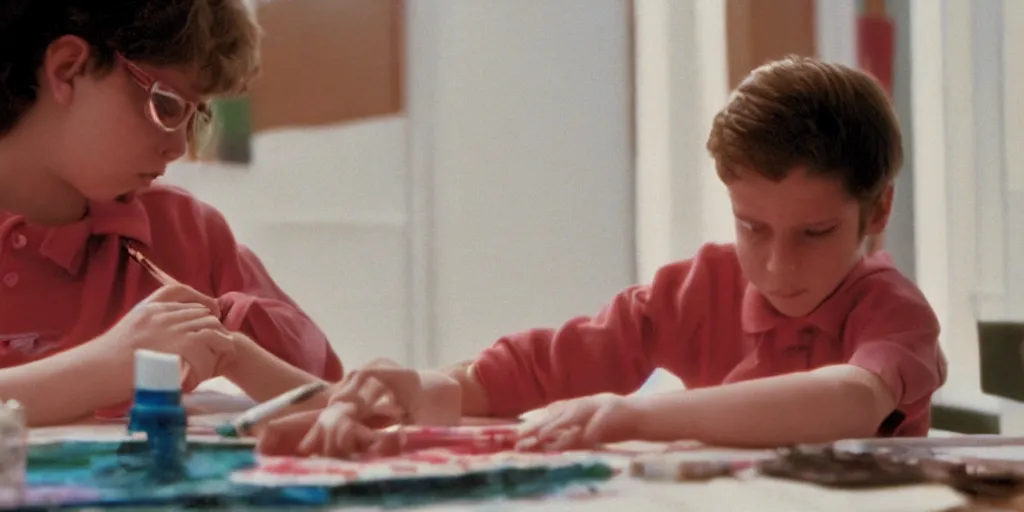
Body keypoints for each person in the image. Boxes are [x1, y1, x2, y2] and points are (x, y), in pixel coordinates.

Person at [259, 55, 947, 457]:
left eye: (815, 234)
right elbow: (549, 362)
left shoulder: (891, 310)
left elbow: (853, 400)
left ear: (877, 212)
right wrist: (431, 389)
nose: (775, 267)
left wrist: (635, 415)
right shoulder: (701, 287)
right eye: (752, 228)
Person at [0, 0, 342, 426]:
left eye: (195, 116)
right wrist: (109, 366)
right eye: (166, 105)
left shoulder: (183, 231)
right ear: (67, 69)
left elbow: (332, 395)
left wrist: (228, 339)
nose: (179, 148)